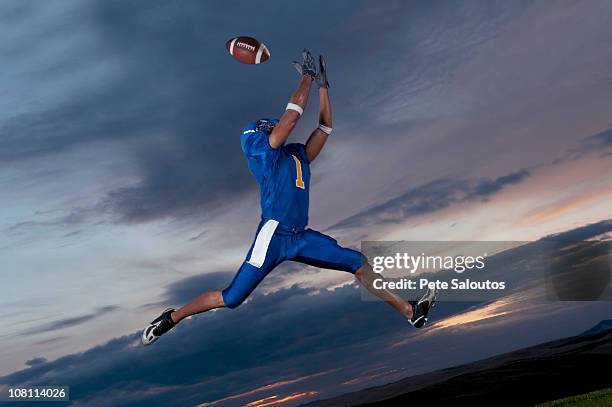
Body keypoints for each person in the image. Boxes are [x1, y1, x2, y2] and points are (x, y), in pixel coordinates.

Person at [142, 50, 436, 346]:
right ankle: (172, 318)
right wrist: (307, 77)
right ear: (258, 134)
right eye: (267, 125)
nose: (273, 124)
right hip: (274, 234)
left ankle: (411, 312)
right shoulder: (262, 152)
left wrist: (324, 87)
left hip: (299, 236)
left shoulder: (296, 155)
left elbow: (324, 128)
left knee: (358, 263)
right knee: (232, 298)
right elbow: (292, 118)